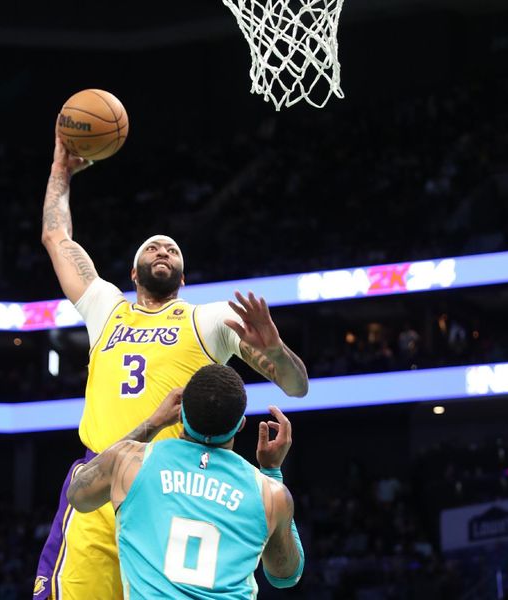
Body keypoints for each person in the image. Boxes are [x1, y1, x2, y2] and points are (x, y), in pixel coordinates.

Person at [33, 136, 308, 599]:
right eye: (154, 247)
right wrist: (61, 168)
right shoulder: (106, 307)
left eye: (173, 251)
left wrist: (277, 352)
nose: (163, 249)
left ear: (183, 278)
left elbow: (296, 386)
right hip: (102, 472)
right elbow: (56, 237)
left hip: (166, 489)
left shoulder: (209, 318)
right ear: (134, 273)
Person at [67, 363, 304, 598]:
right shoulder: (270, 493)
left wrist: (154, 422)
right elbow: (285, 576)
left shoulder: (129, 462)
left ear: (180, 414)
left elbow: (78, 496)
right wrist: (272, 471)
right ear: (241, 424)